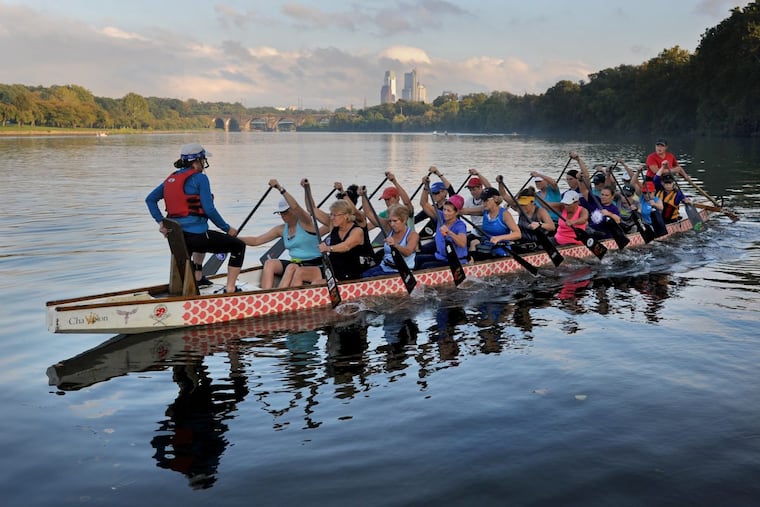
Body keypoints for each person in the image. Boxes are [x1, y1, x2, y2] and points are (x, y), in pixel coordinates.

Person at [146, 143, 245, 294]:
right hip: (196, 237)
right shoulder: (200, 178)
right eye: (203, 160)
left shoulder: (171, 178)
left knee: (205, 233)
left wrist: (161, 222)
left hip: (177, 237)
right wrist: (228, 229)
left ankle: (198, 278)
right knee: (238, 246)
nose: (204, 164)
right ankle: (231, 289)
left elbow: (150, 199)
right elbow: (209, 209)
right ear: (196, 161)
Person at [239, 179, 326, 289]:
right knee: (270, 263)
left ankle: (278, 296)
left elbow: (296, 207)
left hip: (314, 264)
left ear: (293, 212)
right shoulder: (280, 229)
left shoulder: (306, 222)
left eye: (286, 213)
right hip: (295, 263)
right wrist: (234, 238)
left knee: (291, 267)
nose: (283, 216)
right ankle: (265, 294)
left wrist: (280, 188)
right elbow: (256, 241)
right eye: (281, 213)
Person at [290, 187, 367, 285]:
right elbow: (311, 209)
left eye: (335, 215)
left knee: (316, 284)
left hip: (348, 274)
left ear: (346, 216)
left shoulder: (357, 231)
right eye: (331, 214)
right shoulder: (333, 225)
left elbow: (346, 246)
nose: (331, 218)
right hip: (332, 270)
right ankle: (292, 297)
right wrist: (307, 188)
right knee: (300, 272)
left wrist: (328, 248)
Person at [360, 204, 419, 278]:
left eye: (395, 221)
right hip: (384, 266)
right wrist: (363, 195)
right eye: (390, 221)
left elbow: (408, 252)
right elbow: (369, 213)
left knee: (369, 278)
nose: (392, 224)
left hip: (401, 271)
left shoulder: (413, 235)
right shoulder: (389, 228)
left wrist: (395, 245)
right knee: (363, 275)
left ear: (404, 220)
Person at [415, 193, 469, 270]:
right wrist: (426, 188)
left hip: (455, 260)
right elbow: (424, 204)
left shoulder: (460, 226)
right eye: (444, 209)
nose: (445, 213)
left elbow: (462, 243)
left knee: (425, 266)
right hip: (441, 257)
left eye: (449, 211)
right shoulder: (440, 217)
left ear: (456, 212)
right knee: (418, 258)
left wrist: (449, 232)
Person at [470, 187, 522, 261]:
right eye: (482, 200)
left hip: (501, 248)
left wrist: (499, 238)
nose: (484, 203)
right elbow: (464, 211)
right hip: (486, 246)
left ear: (496, 199)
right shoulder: (484, 211)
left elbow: (518, 234)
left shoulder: (505, 214)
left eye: (486, 200)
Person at [511, 188, 556, 252]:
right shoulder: (520, 210)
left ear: (532, 202)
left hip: (538, 245)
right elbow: (504, 196)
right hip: (523, 243)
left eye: (525, 204)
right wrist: (500, 183)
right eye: (521, 204)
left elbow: (552, 227)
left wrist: (539, 224)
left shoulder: (541, 212)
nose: (522, 207)